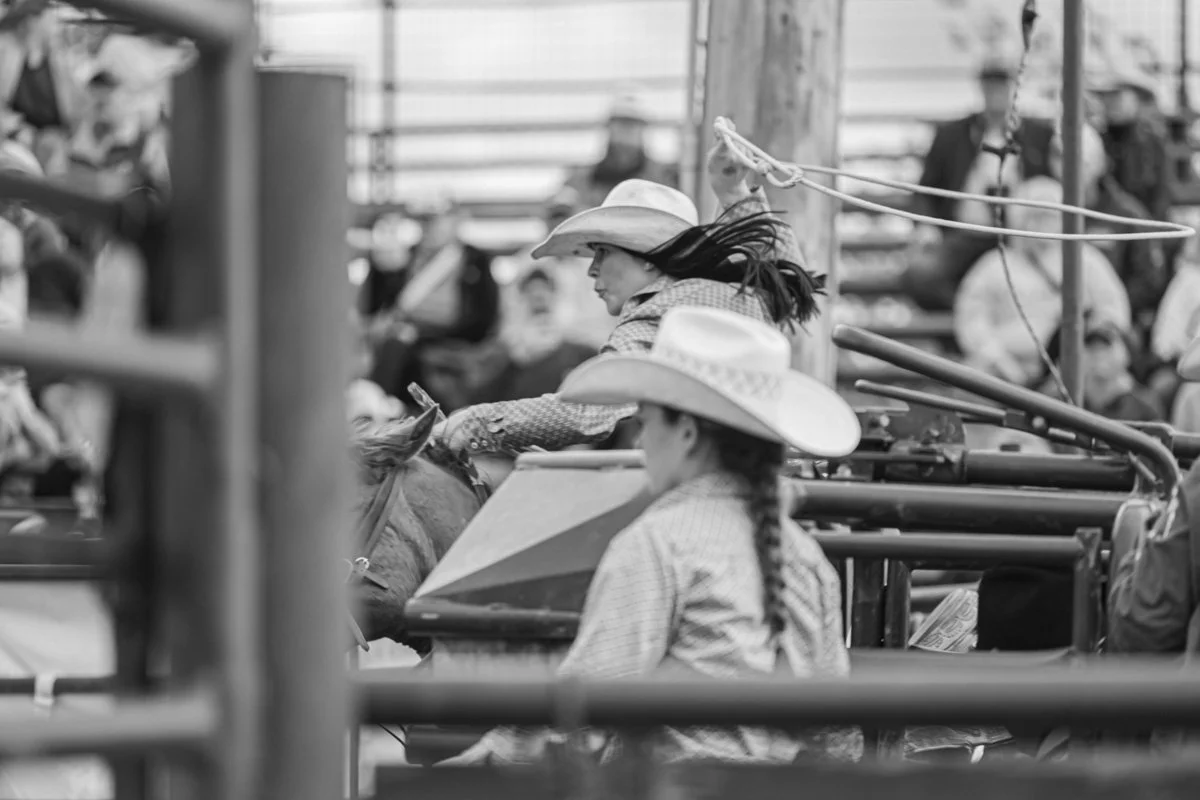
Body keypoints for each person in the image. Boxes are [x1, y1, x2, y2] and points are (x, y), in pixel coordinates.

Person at [442, 306, 862, 766]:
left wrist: (491, 756)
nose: (640, 444)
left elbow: (587, 704)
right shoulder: (804, 556)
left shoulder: (659, 543)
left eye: (645, 422)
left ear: (685, 432)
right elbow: (837, 734)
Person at [436, 136, 824, 456]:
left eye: (603, 253)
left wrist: (482, 420)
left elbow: (590, 413)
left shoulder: (659, 311)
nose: (591, 269)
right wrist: (736, 192)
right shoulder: (729, 296)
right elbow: (786, 286)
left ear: (650, 262)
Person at [902, 58, 1056, 311]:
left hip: (1020, 238)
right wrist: (926, 226)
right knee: (919, 275)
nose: (996, 92)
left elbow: (1052, 187)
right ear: (981, 87)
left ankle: (990, 320)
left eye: (1002, 83)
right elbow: (924, 191)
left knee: (1048, 282)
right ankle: (971, 315)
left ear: (1015, 85)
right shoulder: (952, 135)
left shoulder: (1038, 136)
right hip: (963, 234)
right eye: (990, 83)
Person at [953, 177, 1131, 387]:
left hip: (1074, 368)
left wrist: (1088, 348)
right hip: (1006, 368)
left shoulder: (1085, 259)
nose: (1043, 224)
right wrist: (998, 359)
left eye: (1051, 216)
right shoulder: (995, 264)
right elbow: (971, 321)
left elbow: (1114, 311)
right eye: (1036, 216)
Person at [562, 91, 679, 211]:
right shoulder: (581, 180)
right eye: (621, 123)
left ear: (643, 129)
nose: (626, 132)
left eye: (632, 124)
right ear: (609, 127)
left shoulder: (664, 180)